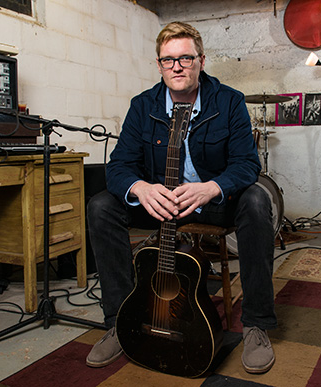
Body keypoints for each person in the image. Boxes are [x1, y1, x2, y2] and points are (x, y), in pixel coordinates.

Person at [86, 21, 277, 374]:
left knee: (256, 200)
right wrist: (141, 189)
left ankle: (256, 325)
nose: (176, 66)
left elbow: (247, 164)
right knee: (100, 206)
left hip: (212, 203)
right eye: (167, 60)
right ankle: (117, 321)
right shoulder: (142, 106)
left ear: (201, 61)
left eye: (185, 58)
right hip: (161, 205)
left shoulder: (229, 101)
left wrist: (213, 187)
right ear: (159, 65)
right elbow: (119, 167)